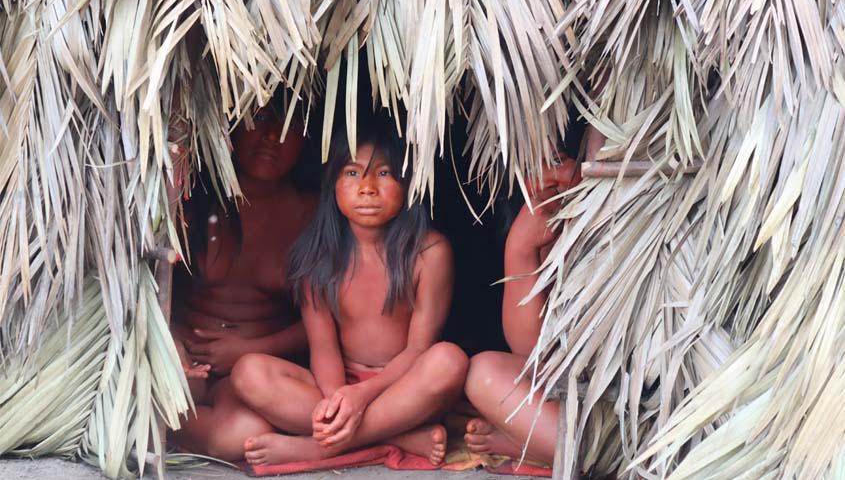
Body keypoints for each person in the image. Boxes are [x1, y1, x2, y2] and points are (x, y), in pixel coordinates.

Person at [229, 123, 468, 466]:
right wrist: (338, 402)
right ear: (333, 186)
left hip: (404, 384)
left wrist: (361, 397)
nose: (368, 188)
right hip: (340, 383)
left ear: (407, 182)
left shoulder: (429, 252)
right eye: (352, 173)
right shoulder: (316, 258)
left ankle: (318, 448)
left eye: (384, 173)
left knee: (449, 361)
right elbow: (324, 350)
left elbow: (419, 349)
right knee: (248, 372)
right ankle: (392, 435)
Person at [170, 98, 318, 460]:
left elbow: (328, 323)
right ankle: (165, 419)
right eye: (261, 118)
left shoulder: (312, 216)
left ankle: (171, 430)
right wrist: (171, 342)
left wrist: (249, 350)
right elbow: (150, 287)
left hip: (254, 371)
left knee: (244, 436)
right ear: (232, 127)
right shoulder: (192, 201)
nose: (271, 136)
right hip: (181, 359)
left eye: (289, 127)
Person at [462, 153, 585, 464]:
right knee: (483, 373)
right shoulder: (541, 224)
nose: (544, 177)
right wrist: (520, 250)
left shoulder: (628, 227)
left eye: (558, 160)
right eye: (533, 166)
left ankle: (538, 447)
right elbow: (530, 353)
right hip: (569, 402)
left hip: (631, 418)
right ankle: (544, 444)